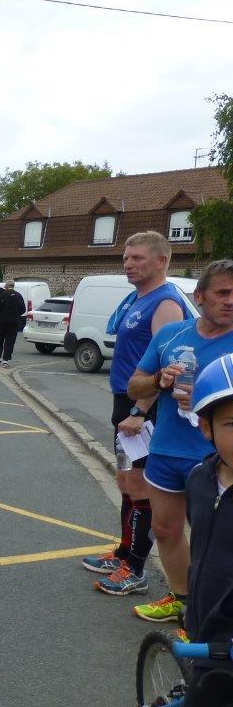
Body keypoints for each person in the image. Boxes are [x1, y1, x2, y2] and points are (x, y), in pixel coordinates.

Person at [65, 352, 233, 707]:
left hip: (229, 657)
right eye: (232, 422)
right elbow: (194, 552)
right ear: (204, 426)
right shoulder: (203, 476)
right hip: (209, 634)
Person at [123, 259, 233, 623]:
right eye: (223, 292)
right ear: (200, 296)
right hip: (167, 451)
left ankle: (210, 618)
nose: (230, 301)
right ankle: (182, 601)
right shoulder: (172, 335)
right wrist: (159, 381)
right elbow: (134, 385)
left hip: (216, 457)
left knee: (215, 544)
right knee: (166, 530)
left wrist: (207, 398)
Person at [82, 231, 189, 601]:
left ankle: (137, 571)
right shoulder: (137, 299)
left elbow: (168, 362)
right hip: (123, 402)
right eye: (126, 258)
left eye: (138, 258)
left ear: (161, 261)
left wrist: (139, 412)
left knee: (141, 488)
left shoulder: (166, 303)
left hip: (144, 409)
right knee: (126, 484)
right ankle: (125, 552)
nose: (128, 264)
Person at [0, 279, 26, 367]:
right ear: (13, 286)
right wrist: (16, 315)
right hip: (14, 322)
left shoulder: (2, 295)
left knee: (0, 339)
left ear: (6, 286)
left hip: (2, 321)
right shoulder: (18, 295)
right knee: (10, 341)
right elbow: (23, 309)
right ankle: (5, 360)